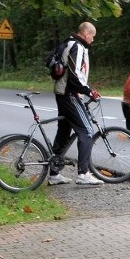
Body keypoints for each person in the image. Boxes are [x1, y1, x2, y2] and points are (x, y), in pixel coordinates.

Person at [48, 21, 104, 186]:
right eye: (92, 36)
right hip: (70, 94)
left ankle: (54, 174)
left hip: (62, 92)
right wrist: (88, 91)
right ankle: (83, 174)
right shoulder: (77, 47)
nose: (92, 40)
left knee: (63, 132)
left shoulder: (67, 42)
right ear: (86, 34)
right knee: (86, 131)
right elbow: (75, 73)